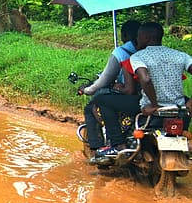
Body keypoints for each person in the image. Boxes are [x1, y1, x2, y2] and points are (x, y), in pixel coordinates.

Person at [80, 20, 140, 154]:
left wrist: (88, 90)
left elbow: (104, 80)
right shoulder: (148, 51)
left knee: (97, 102)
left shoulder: (121, 52)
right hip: (149, 98)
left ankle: (101, 147)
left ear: (124, 35)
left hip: (132, 98)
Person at [129, 22, 192, 118]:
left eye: (138, 36)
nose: (137, 39)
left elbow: (145, 79)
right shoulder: (181, 55)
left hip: (152, 112)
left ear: (146, 37)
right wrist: (190, 102)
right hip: (179, 109)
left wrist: (155, 105)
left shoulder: (138, 56)